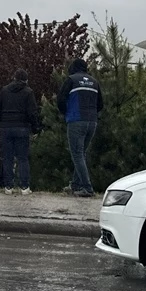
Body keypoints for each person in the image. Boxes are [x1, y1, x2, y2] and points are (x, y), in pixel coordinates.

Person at [56, 58, 102, 198]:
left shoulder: (71, 80)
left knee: (77, 154)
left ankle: (87, 188)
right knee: (82, 154)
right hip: (92, 122)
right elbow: (101, 104)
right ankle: (75, 185)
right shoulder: (94, 82)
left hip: (76, 120)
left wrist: (66, 113)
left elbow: (61, 100)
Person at [0, 69, 40, 195]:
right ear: (26, 80)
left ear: (14, 78)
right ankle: (24, 187)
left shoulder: (4, 90)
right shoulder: (28, 92)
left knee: (8, 158)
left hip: (6, 127)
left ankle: (8, 186)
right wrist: (35, 128)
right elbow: (32, 112)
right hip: (22, 128)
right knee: (22, 158)